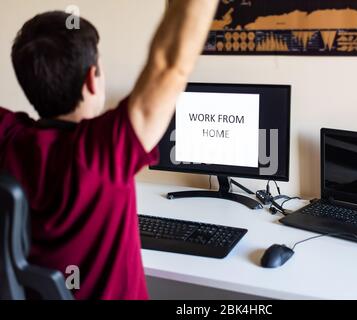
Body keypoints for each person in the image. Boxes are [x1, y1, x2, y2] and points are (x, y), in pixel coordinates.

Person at [0, 0, 219, 300]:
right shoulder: (104, 151)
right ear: (92, 79)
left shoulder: (8, 137)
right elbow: (170, 66)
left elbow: (170, 67)